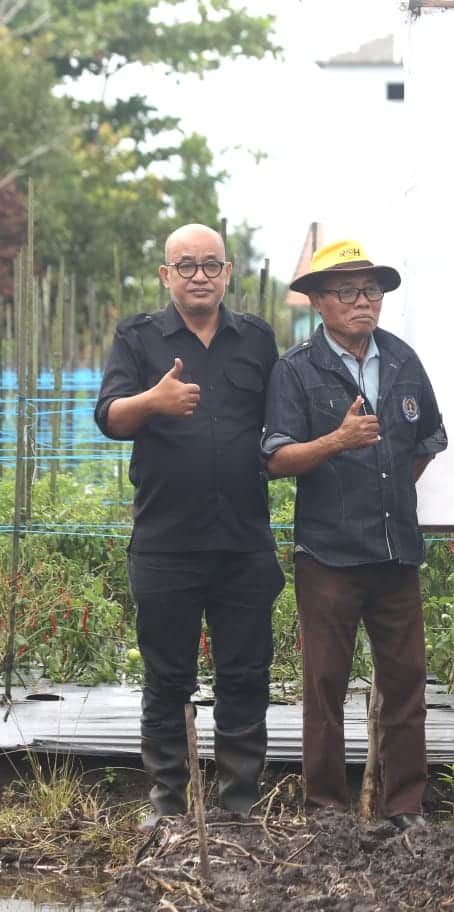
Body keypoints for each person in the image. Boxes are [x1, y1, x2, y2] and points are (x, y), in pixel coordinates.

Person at [95, 223, 283, 829]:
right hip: (166, 541)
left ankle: (238, 802)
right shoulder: (139, 337)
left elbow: (278, 426)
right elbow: (110, 417)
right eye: (187, 265)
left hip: (244, 539)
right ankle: (168, 805)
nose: (200, 275)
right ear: (165, 275)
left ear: (228, 273)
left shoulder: (255, 339)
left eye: (211, 265)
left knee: (246, 674)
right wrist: (154, 400)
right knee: (167, 676)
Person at [262, 240, 446, 831]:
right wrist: (338, 444)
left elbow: (425, 442)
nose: (363, 302)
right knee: (324, 686)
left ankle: (405, 806)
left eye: (371, 290)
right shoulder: (296, 369)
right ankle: (325, 808)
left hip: (396, 553)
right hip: (329, 556)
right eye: (347, 291)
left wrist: (381, 487)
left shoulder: (401, 360)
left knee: (406, 684)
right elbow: (277, 459)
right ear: (318, 302)